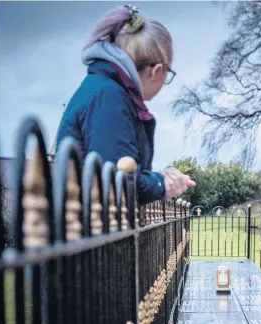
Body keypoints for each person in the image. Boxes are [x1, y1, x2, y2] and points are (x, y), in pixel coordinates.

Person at [55, 4, 195, 204]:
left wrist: (161, 178)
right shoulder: (109, 97)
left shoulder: (105, 90)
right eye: (168, 74)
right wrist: (163, 184)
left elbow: (122, 167)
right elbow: (119, 185)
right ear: (156, 71)